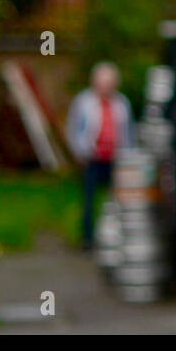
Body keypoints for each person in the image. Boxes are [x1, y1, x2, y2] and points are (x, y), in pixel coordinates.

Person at [66, 61, 134, 250]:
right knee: (89, 201)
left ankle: (116, 238)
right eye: (103, 83)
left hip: (116, 160)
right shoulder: (84, 102)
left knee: (118, 201)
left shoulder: (122, 104)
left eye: (109, 83)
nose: (106, 87)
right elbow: (73, 129)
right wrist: (79, 152)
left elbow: (128, 133)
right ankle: (88, 239)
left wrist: (128, 158)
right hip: (92, 160)